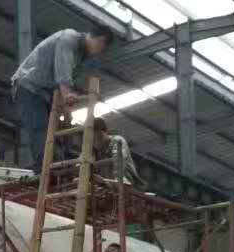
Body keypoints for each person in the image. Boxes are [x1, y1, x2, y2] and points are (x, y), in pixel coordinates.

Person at [10, 26, 115, 173]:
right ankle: (43, 169)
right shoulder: (68, 39)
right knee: (40, 128)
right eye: (99, 46)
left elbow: (63, 78)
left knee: (56, 131)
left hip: (46, 93)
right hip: (28, 87)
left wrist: (65, 108)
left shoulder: (81, 55)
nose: (97, 52)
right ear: (96, 38)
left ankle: (56, 165)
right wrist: (66, 95)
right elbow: (62, 69)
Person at [94, 117, 145, 190]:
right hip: (109, 187)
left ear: (102, 130)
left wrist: (94, 165)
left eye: (95, 133)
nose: (94, 138)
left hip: (126, 185)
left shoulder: (117, 141)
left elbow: (118, 160)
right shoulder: (93, 149)